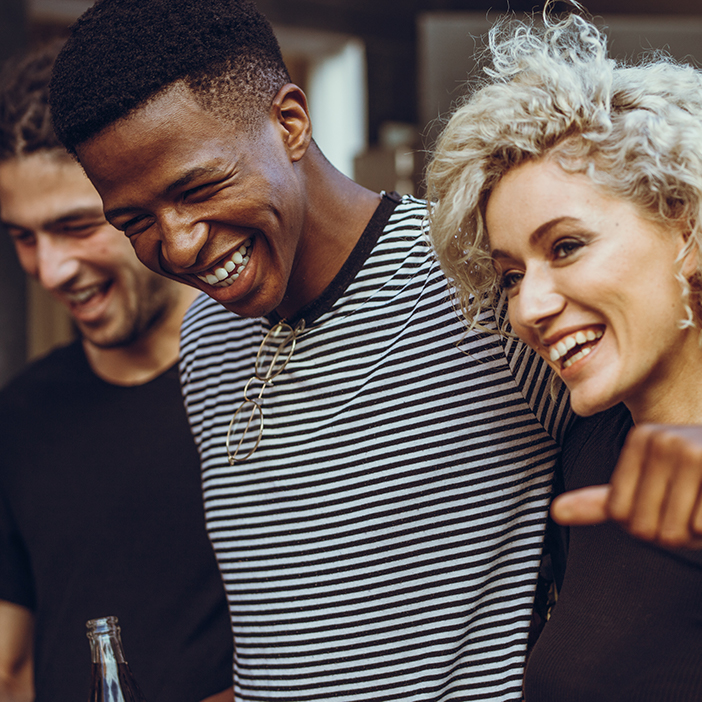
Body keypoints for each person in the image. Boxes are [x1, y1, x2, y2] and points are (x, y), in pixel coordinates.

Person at [47, 1, 702, 699]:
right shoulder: (204, 338)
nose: (176, 246)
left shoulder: (484, 284)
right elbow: (300, 637)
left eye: (200, 188)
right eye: (135, 221)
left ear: (291, 123)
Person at [426, 9, 702, 700]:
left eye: (566, 246)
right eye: (512, 275)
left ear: (688, 228)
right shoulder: (592, 447)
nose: (529, 307)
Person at [0, 44, 234, 702]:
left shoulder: (268, 379)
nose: (49, 271)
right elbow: (8, 666)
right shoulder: (20, 415)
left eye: (75, 227)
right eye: (21, 236)